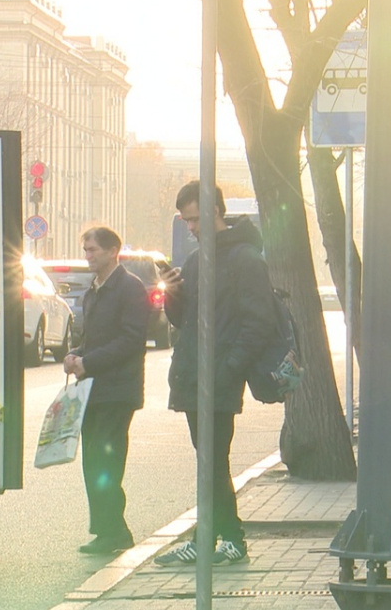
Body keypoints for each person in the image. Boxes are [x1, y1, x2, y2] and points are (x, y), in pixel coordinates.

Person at [154, 181, 274, 566]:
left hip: (218, 378)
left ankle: (226, 539)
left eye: (194, 218)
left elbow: (258, 323)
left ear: (215, 212)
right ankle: (210, 540)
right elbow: (183, 320)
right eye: (185, 220)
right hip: (194, 375)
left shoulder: (245, 259)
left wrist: (227, 370)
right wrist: (172, 294)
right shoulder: (196, 260)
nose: (190, 227)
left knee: (212, 462)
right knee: (208, 462)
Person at [64, 226, 150, 555]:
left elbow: (130, 340)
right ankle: (105, 529)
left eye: (93, 250)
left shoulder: (129, 288)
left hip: (117, 390)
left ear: (113, 251)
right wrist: (74, 355)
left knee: (108, 463)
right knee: (93, 461)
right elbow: (90, 338)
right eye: (85, 249)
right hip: (92, 390)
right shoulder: (93, 289)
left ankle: (116, 530)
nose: (87, 255)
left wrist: (90, 362)